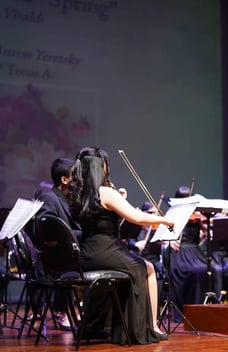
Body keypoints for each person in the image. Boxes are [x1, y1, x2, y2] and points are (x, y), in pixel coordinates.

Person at [68, 146, 174, 344]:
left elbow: (102, 219)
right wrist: (164, 220)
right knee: (147, 268)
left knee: (138, 267)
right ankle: (150, 326)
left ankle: (122, 325)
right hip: (106, 251)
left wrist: (120, 200)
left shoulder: (76, 194)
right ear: (101, 167)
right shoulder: (107, 192)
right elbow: (136, 217)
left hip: (85, 256)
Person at [35, 158, 82, 329]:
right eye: (75, 176)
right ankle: (88, 315)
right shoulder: (49, 198)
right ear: (64, 179)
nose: (79, 179)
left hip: (68, 254)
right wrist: (82, 235)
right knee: (99, 260)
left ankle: (91, 315)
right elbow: (46, 229)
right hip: (56, 261)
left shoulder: (66, 198)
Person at [162, 185, 219, 322]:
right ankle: (186, 310)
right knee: (192, 271)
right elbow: (165, 235)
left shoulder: (197, 215)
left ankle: (205, 310)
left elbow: (206, 232)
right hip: (178, 252)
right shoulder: (172, 215)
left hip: (195, 251)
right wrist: (169, 241)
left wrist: (205, 224)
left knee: (213, 269)